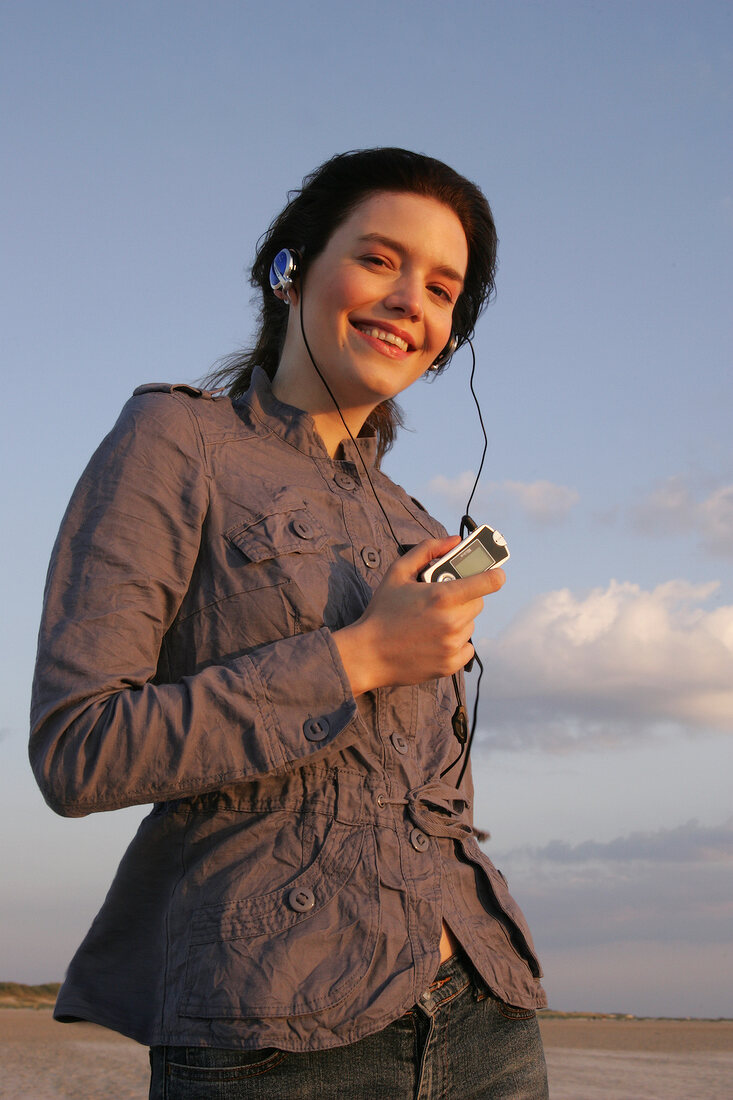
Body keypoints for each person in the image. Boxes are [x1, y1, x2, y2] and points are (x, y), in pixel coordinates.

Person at [30, 148, 549, 1099]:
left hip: (485, 1009)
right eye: (380, 259)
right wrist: (354, 657)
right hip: (270, 1028)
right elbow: (77, 750)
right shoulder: (174, 440)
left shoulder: (418, 524)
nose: (410, 301)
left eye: (442, 288)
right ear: (290, 270)